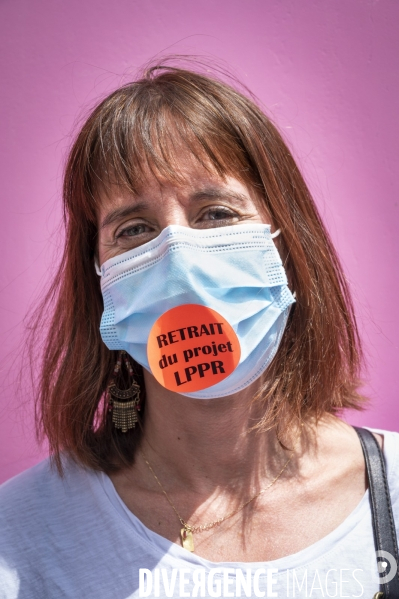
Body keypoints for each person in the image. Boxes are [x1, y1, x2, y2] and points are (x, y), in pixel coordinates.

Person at [0, 62, 398, 599]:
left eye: (215, 213)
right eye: (134, 229)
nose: (178, 260)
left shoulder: (391, 486)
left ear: (286, 243)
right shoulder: (22, 536)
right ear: (97, 279)